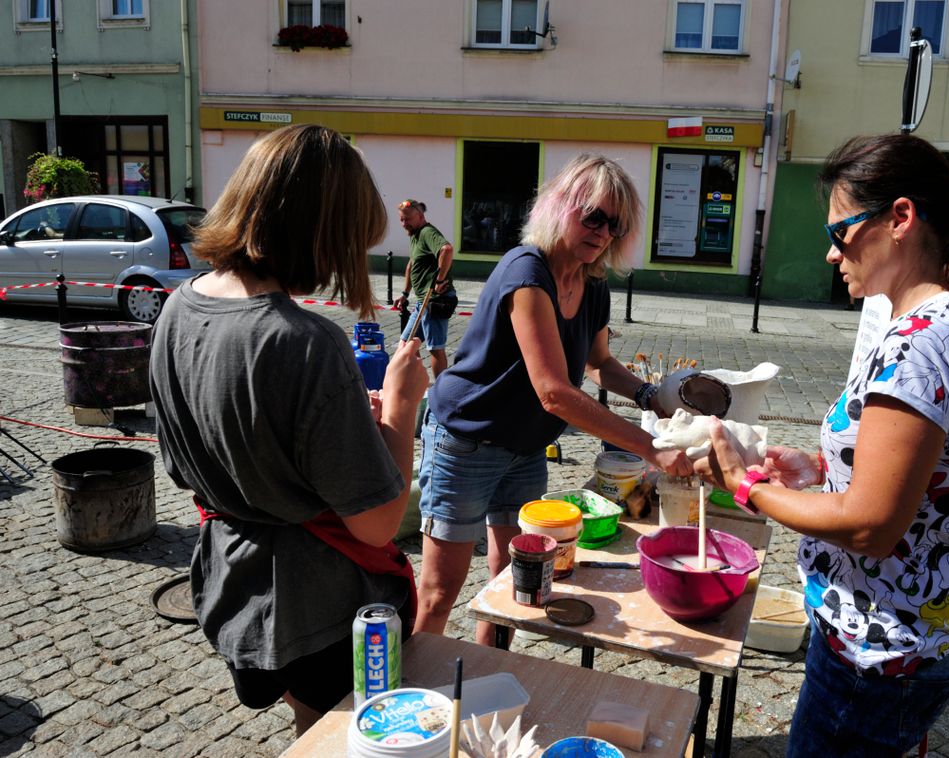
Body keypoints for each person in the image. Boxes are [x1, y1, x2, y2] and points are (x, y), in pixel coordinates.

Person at [693, 133, 949, 756]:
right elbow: (924, 471)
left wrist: (745, 486)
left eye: (841, 232)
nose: (831, 252)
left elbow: (872, 525)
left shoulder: (920, 341)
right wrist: (819, 467)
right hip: (915, 633)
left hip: (877, 648)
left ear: (899, 219)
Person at [148, 125, 429, 736]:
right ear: (321, 234)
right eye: (349, 242)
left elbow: (188, 459)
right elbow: (379, 522)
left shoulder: (177, 307)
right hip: (319, 607)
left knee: (305, 725)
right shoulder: (305, 341)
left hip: (231, 581)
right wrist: (402, 409)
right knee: (338, 736)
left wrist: (343, 422)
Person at [413, 154, 693, 646]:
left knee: (513, 583)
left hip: (523, 451)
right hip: (465, 442)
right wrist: (652, 448)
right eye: (593, 215)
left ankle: (486, 676)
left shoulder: (593, 281)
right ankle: (406, 705)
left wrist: (653, 396)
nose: (603, 232)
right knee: (439, 592)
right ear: (560, 206)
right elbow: (554, 392)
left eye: (615, 224)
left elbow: (599, 363)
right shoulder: (527, 270)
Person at [393, 199, 456, 378]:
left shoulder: (428, 232)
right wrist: (405, 293)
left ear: (420, 216)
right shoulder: (415, 235)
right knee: (406, 344)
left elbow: (447, 250)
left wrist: (439, 280)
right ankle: (418, 382)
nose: (404, 224)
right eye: (402, 220)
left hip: (435, 300)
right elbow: (411, 265)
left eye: (408, 219)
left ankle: (440, 392)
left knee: (435, 348)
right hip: (423, 302)